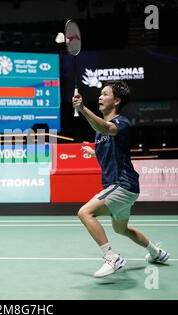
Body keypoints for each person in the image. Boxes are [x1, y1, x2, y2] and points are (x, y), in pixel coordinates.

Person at [72, 80, 169, 278]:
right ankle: (156, 253)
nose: (100, 96)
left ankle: (111, 257)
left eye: (105, 94)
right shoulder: (100, 132)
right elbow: (105, 139)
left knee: (85, 212)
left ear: (116, 101)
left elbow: (107, 129)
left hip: (121, 184)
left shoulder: (121, 123)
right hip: (126, 187)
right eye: (100, 93)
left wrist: (82, 109)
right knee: (121, 229)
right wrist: (93, 152)